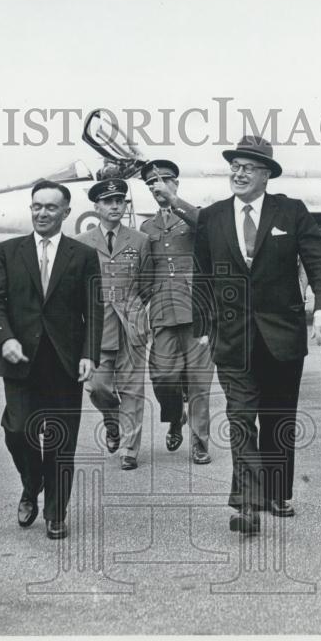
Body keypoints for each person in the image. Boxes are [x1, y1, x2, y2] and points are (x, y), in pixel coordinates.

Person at [193, 135, 321, 534]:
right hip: (232, 339)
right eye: (235, 166)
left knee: (278, 418)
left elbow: (319, 262)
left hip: (282, 335)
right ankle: (247, 505)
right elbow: (201, 276)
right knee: (240, 418)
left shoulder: (290, 212)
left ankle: (276, 491)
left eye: (248, 167)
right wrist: (203, 325)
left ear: (266, 175)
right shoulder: (212, 216)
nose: (238, 173)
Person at [0, 180, 102, 540]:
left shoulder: (81, 255)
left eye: (51, 207)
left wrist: (89, 355)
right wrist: (4, 339)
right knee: (18, 432)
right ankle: (30, 481)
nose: (42, 213)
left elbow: (93, 310)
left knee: (61, 441)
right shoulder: (7, 252)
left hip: (65, 363)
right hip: (20, 361)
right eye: (37, 206)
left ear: (66, 212)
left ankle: (55, 513)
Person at [75, 178, 154, 471]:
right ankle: (112, 421)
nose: (115, 206)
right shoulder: (82, 242)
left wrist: (135, 309)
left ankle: (129, 450)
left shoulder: (140, 241)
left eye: (120, 201)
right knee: (96, 387)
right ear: (97, 207)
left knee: (133, 390)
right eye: (108, 202)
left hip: (132, 324)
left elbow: (147, 284)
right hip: (97, 326)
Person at [138, 159, 214, 465]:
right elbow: (145, 272)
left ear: (175, 184)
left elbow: (206, 226)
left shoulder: (195, 217)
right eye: (152, 183)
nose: (158, 187)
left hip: (196, 311)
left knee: (199, 382)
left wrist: (174, 201)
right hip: (163, 312)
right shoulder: (147, 227)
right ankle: (174, 417)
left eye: (165, 180)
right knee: (162, 377)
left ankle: (200, 441)